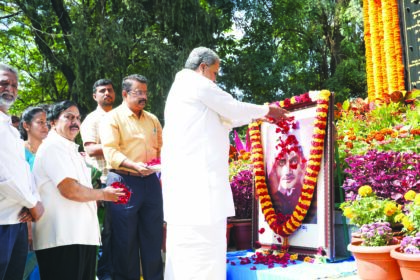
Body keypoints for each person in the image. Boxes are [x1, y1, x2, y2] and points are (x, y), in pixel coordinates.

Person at [161, 47, 288, 279]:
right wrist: (268, 111)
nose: (215, 78)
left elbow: (228, 116)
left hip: (186, 186)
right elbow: (232, 108)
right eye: (215, 72)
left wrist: (258, 115)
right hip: (199, 185)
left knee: (185, 251)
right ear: (202, 67)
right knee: (203, 249)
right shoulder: (197, 84)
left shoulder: (181, 88)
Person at [31, 100, 124, 280]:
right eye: (68, 117)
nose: (75, 122)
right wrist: (104, 194)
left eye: (77, 118)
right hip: (62, 238)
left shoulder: (71, 150)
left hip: (81, 236)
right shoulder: (53, 147)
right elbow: (70, 189)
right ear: (53, 122)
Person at [100, 74, 163, 280]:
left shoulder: (152, 119)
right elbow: (110, 152)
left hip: (151, 182)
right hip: (123, 181)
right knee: (125, 240)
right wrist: (134, 165)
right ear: (125, 94)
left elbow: (161, 149)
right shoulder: (112, 118)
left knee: (153, 237)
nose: (143, 96)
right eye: (138, 92)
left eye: (145, 92)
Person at [0, 63, 44, 280]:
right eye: (3, 83)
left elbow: (24, 172)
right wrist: (33, 203)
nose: (9, 88)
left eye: (14, 85)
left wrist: (32, 200)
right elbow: (3, 178)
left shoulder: (9, 127)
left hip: (16, 220)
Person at [80, 79, 115, 280]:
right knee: (105, 232)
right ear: (95, 96)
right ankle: (103, 275)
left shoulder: (121, 117)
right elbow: (90, 148)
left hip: (125, 179)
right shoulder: (92, 120)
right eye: (102, 91)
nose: (107, 93)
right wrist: (115, 145)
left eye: (110, 90)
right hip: (103, 181)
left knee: (119, 232)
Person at [19, 106, 49, 280]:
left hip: (48, 214)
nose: (45, 127)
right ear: (26, 126)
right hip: (22, 215)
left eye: (46, 123)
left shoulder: (51, 151)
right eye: (40, 122)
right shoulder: (16, 151)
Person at [267, 139, 306, 215]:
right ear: (275, 170)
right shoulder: (271, 200)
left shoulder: (313, 199)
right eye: (281, 162)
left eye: (294, 161)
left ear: (302, 167)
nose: (288, 171)